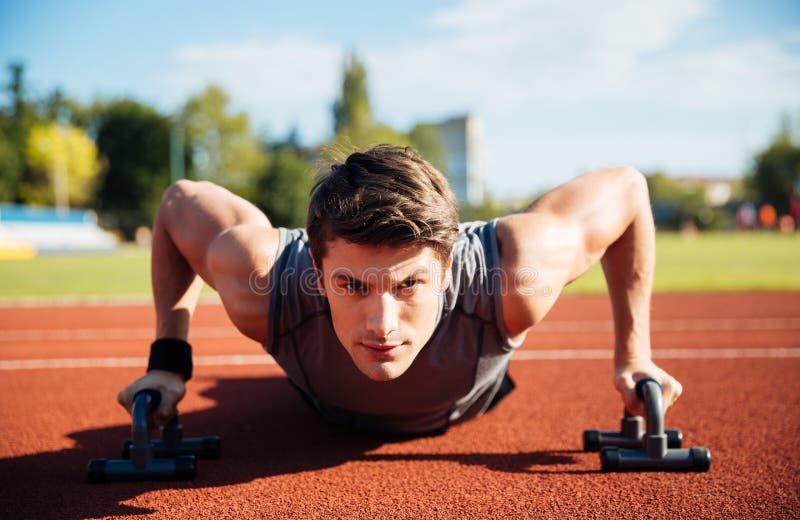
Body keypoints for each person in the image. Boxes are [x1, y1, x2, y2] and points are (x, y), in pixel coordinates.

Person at [118, 145, 682, 435]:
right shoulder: (264, 284)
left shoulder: (514, 276)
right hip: (322, 406)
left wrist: (634, 357)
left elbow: (629, 189)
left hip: (464, 402)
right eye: (351, 285)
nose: (381, 323)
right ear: (315, 271)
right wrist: (169, 363)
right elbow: (176, 204)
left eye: (410, 284)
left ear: (447, 265)